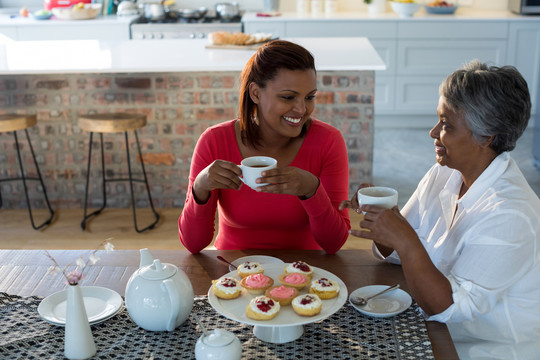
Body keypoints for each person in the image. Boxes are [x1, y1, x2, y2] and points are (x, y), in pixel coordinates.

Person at [340, 60, 540, 358]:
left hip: (479, 347)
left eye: (446, 124)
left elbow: (450, 308)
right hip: (430, 323)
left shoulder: (510, 214)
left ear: (487, 137)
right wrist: (383, 216)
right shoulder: (446, 172)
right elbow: (397, 254)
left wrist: (405, 238)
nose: (433, 132)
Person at [179, 40, 350, 254]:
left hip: (306, 272)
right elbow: (193, 244)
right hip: (234, 272)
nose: (302, 109)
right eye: (288, 97)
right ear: (256, 93)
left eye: (309, 97)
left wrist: (311, 190)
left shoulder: (328, 142)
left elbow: (334, 244)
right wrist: (201, 187)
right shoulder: (214, 141)